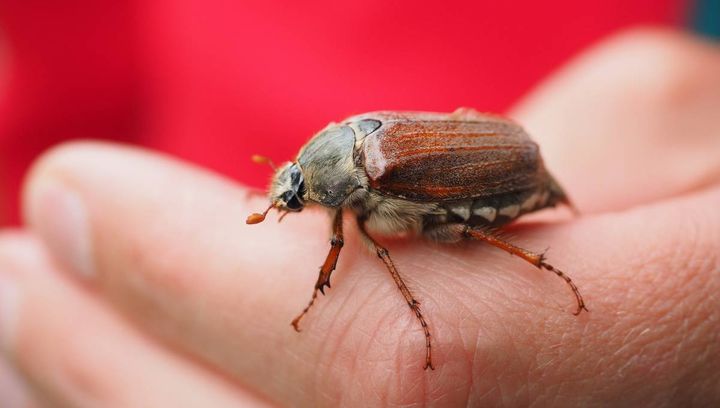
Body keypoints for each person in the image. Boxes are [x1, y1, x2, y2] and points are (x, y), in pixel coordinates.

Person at [0, 27, 718, 407]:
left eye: (299, 194)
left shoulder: (367, 193)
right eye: (292, 192)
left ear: (336, 182)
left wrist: (402, 317)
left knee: (459, 230)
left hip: (506, 178)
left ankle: (541, 263)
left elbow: (350, 253)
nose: (295, 202)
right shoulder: (337, 161)